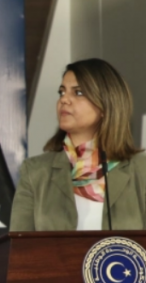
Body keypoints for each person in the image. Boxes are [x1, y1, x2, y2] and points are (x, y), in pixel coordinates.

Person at [10, 58, 146, 231]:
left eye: (78, 92)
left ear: (106, 104)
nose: (64, 100)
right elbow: (19, 245)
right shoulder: (35, 172)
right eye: (62, 92)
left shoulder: (141, 170)